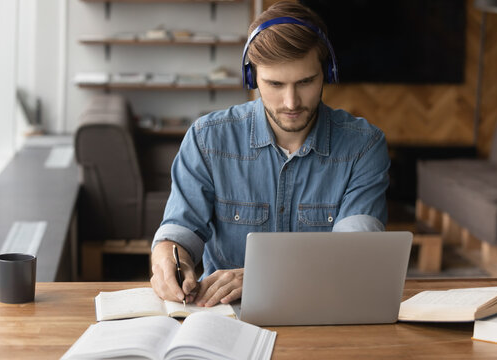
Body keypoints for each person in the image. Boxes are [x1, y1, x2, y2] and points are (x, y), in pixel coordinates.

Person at [150, 1, 390, 307]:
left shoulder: (364, 146)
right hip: (226, 317)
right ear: (252, 79)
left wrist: (264, 279)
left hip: (324, 311)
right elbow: (179, 231)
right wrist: (170, 261)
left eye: (305, 82)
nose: (291, 102)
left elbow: (356, 258)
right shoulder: (207, 139)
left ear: (327, 72)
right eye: (275, 84)